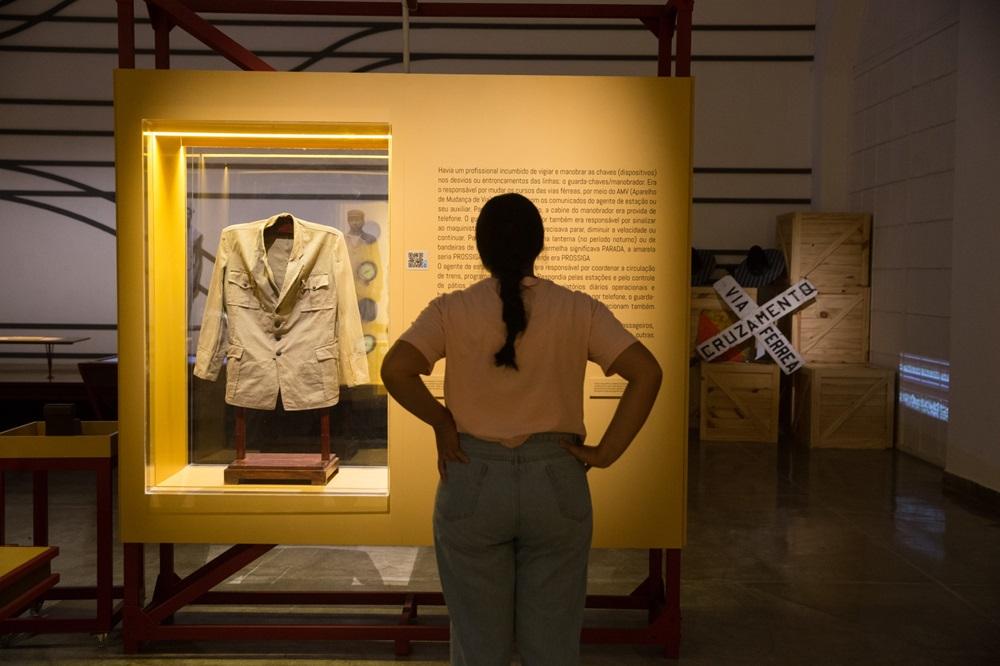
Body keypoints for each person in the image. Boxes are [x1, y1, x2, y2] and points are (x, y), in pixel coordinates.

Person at [381, 193, 662, 665]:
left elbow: (396, 369)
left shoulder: (451, 308)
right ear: (539, 245)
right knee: (553, 643)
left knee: (477, 642)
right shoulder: (578, 308)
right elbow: (647, 372)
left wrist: (442, 421)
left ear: (480, 248)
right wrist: (607, 452)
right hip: (556, 478)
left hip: (472, 476)